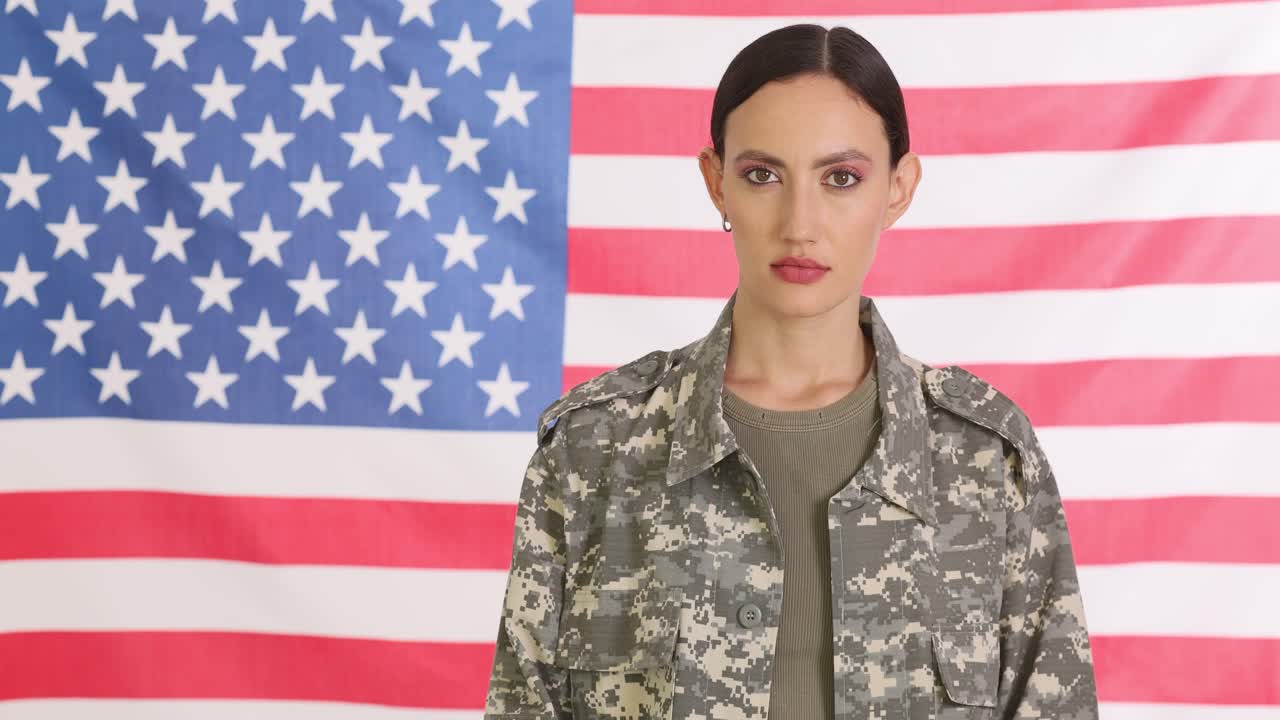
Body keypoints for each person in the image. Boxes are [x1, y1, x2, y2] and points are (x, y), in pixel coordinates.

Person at [484, 22, 1099, 720]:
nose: (799, 223)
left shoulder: (987, 460)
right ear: (717, 184)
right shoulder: (595, 451)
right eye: (762, 175)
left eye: (841, 178)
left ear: (898, 188)